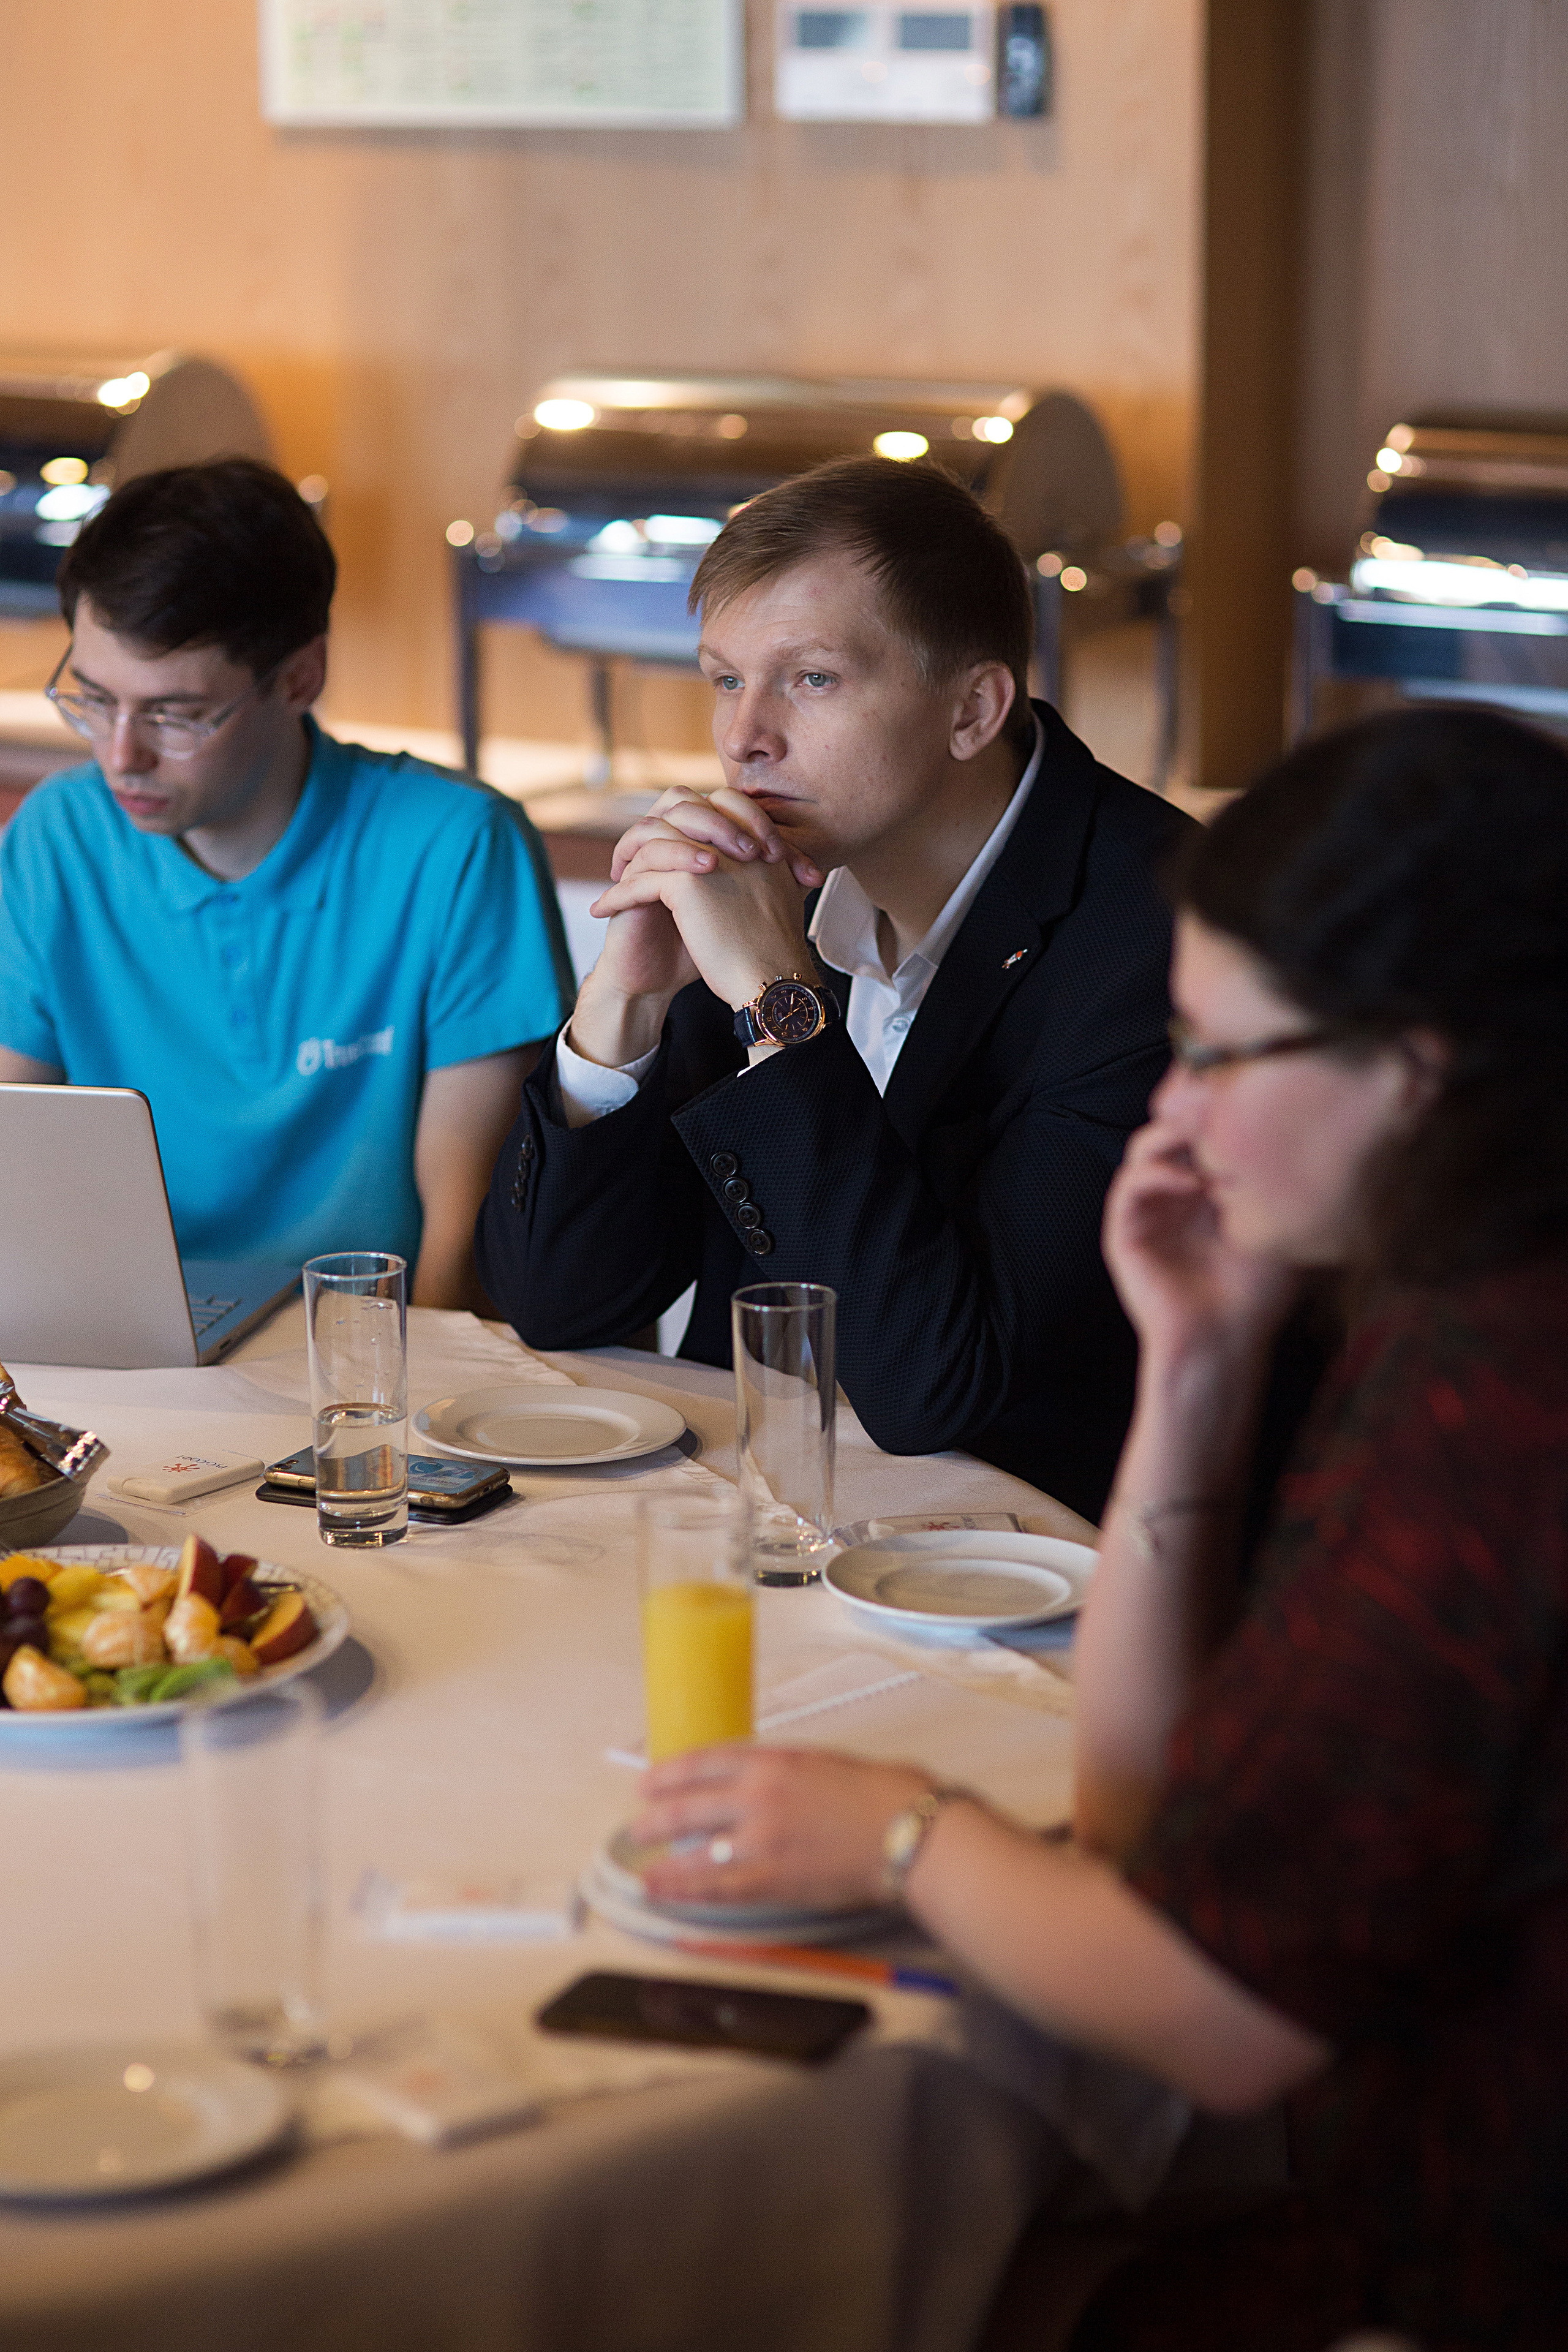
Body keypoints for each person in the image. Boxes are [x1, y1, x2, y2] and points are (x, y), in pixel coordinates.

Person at [631, 707, 1568, 2349]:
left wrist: (901, 1836)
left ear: (1413, 1074)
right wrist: (1194, 1373)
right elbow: (1158, 1839)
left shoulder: (1498, 1410)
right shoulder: (1455, 1298)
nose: (1178, 1120)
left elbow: (1216, 2019)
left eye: (1217, 1054)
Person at [477, 458, 1194, 1521]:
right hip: (759, 1520)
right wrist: (619, 1007)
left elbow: (932, 1386)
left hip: (1020, 1576)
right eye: (726, 678)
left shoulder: (1157, 936)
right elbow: (557, 1300)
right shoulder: (765, 874)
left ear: (972, 709)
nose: (742, 738)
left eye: (810, 680)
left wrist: (777, 997)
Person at [0, 458, 572, 1306]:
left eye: (176, 714)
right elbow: (20, 1179)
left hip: (373, 1362)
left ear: (301, 677)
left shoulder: (453, 849)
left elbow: (466, 1248)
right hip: (133, 1349)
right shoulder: (58, 838)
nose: (121, 755)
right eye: (93, 699)